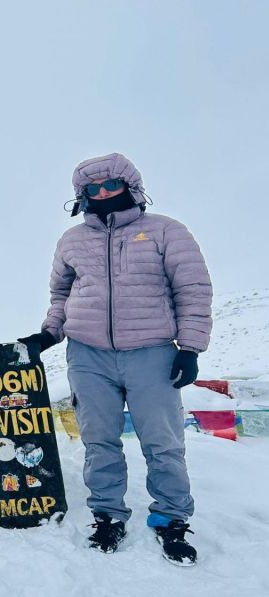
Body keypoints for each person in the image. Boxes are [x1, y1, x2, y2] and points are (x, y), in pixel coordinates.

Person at [19, 152, 212, 566]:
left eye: (111, 185)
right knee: (98, 441)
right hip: (88, 355)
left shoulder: (165, 231)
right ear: (82, 195)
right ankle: (107, 514)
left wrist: (191, 348)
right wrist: (48, 333)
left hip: (152, 354)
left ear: (131, 186)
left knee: (164, 444)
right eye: (93, 189)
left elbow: (193, 289)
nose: (103, 193)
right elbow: (61, 295)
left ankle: (172, 518)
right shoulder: (71, 241)